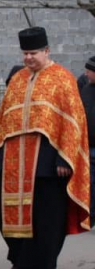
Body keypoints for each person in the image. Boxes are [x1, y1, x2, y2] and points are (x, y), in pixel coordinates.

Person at [0, 27, 90, 269]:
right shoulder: (17, 79)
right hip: (14, 170)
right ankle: (20, 261)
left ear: (47, 50)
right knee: (10, 222)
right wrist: (0, 158)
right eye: (24, 53)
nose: (28, 58)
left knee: (46, 225)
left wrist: (64, 159)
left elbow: (73, 120)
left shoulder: (62, 78)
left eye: (33, 53)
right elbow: (4, 120)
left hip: (47, 170)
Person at [80, 55, 95, 227]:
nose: (86, 74)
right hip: (87, 149)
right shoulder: (85, 89)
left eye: (89, 71)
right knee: (89, 186)